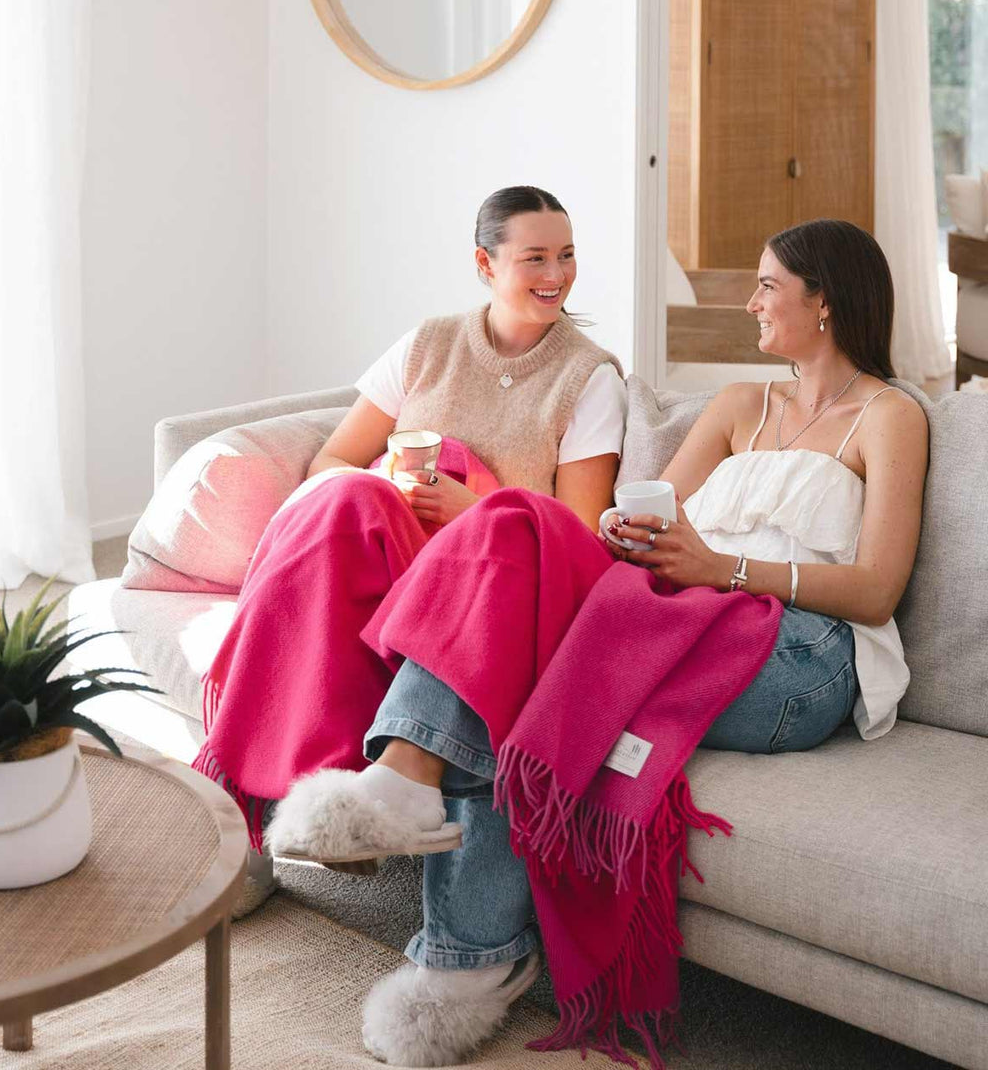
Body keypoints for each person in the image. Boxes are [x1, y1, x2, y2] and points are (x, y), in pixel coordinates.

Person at [278, 219, 929, 1068]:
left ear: (827, 303)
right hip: (674, 612)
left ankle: (467, 951)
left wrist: (721, 567)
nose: (750, 301)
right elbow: (643, 522)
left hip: (801, 658)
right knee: (517, 530)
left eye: (768, 286)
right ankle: (411, 801)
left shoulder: (890, 416)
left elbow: (878, 589)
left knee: (525, 655)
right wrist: (631, 533)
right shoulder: (739, 407)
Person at [191, 184, 626, 916]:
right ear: (485, 263)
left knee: (352, 514)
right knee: (346, 497)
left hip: (490, 584)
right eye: (535, 257)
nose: (556, 273)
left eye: (568, 254)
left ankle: (248, 817)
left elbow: (579, 543)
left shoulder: (588, 378)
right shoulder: (428, 344)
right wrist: (389, 489)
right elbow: (331, 462)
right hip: (385, 552)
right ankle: (266, 810)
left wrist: (474, 506)